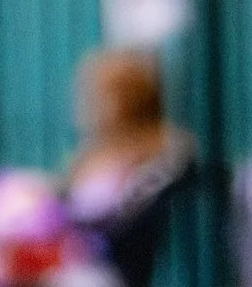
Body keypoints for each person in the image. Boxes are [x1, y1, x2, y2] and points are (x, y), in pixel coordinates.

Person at [67, 49, 197, 287]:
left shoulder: (163, 149)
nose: (93, 106)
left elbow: (136, 217)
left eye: (105, 95)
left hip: (118, 268)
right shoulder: (89, 155)